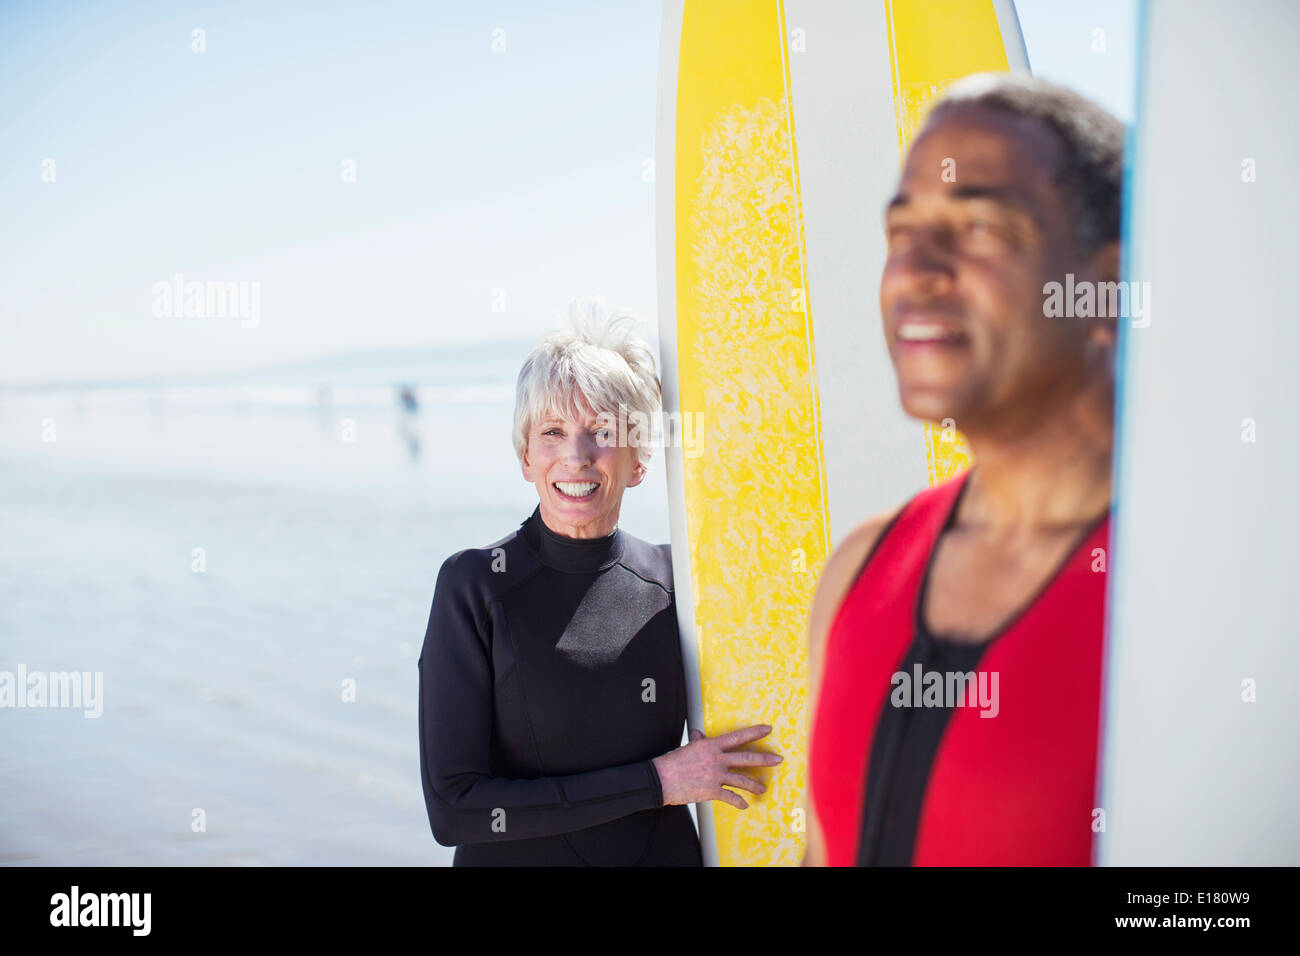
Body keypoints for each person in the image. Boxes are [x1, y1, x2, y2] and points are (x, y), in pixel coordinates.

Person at [803, 74, 1124, 865]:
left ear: (1108, 284)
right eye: (901, 232)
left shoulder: (1208, 594)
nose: (915, 271)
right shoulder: (858, 570)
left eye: (978, 226)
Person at [418, 297, 782, 866]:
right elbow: (455, 807)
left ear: (639, 461)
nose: (576, 457)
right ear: (525, 456)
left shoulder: (679, 581)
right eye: (553, 432)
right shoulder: (475, 587)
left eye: (602, 432)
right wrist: (658, 782)